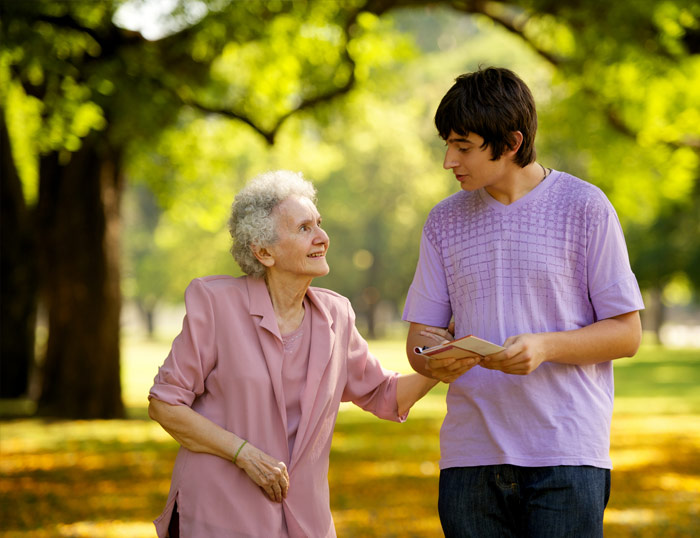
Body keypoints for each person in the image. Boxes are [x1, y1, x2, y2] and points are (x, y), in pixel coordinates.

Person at [403, 67, 644, 537]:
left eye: (464, 147)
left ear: (511, 142)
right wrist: (433, 361)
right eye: (447, 145)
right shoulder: (442, 221)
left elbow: (627, 333)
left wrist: (545, 347)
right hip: (470, 461)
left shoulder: (586, 207)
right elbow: (419, 340)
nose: (449, 160)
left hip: (567, 457)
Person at [148, 170, 443, 538]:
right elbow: (165, 403)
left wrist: (441, 366)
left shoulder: (337, 315)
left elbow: (383, 394)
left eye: (319, 223)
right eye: (304, 228)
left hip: (304, 521)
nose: (322, 237)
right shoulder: (216, 304)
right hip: (218, 512)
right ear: (264, 251)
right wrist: (244, 453)